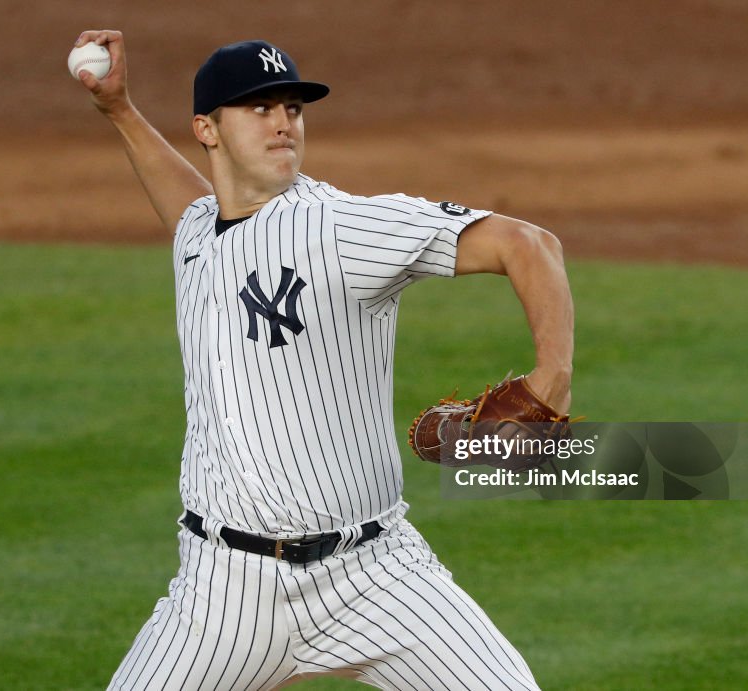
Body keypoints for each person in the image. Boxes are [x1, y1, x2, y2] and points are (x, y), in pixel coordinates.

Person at [73, 29, 574, 691]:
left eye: (293, 107)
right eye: (260, 108)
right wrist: (121, 111)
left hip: (374, 576)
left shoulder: (340, 228)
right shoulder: (200, 230)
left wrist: (550, 383)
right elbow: (198, 207)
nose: (283, 123)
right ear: (208, 128)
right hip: (224, 594)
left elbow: (529, 244)